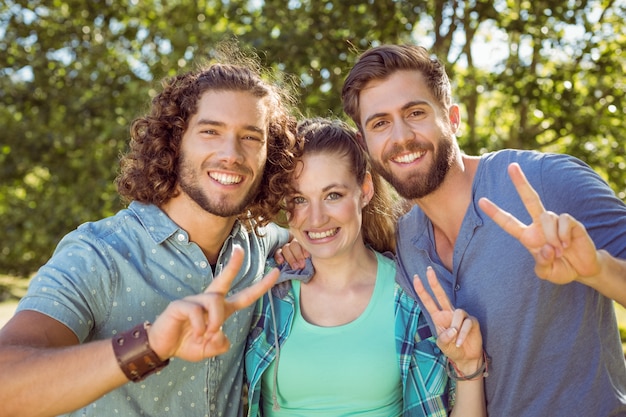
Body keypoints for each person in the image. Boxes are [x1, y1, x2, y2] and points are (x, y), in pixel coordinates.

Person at [0, 52, 301, 417]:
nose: (231, 153)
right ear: (174, 143)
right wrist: (150, 346)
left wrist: (306, 242)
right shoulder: (100, 254)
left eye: (251, 137)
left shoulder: (265, 247)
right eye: (210, 131)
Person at [340, 43, 626, 416]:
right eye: (380, 123)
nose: (401, 137)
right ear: (365, 143)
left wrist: (598, 270)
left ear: (453, 118)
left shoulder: (548, 181)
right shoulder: (407, 243)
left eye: (415, 112)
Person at [245, 118, 487, 416]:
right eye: (299, 199)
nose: (316, 218)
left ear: (365, 190)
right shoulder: (266, 292)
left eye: (333, 195)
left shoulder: (410, 298)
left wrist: (469, 366)